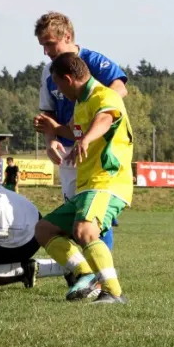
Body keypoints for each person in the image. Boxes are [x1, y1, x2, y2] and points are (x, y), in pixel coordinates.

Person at [35, 53, 133, 304]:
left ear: (68, 79)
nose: (57, 90)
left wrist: (86, 140)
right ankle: (85, 273)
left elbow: (105, 118)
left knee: (85, 229)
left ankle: (113, 292)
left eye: (57, 84)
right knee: (44, 229)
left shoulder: (104, 96)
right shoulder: (81, 103)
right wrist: (55, 129)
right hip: (89, 185)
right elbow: (74, 130)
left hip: (107, 182)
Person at [33, 11, 127, 249]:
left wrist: (92, 112)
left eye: (50, 44)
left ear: (66, 36)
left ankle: (98, 274)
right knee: (75, 213)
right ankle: (82, 270)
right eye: (43, 46)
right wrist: (50, 140)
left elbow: (119, 88)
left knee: (93, 217)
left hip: (95, 150)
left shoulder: (91, 61)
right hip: (68, 151)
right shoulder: (48, 72)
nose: (47, 51)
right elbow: (48, 112)